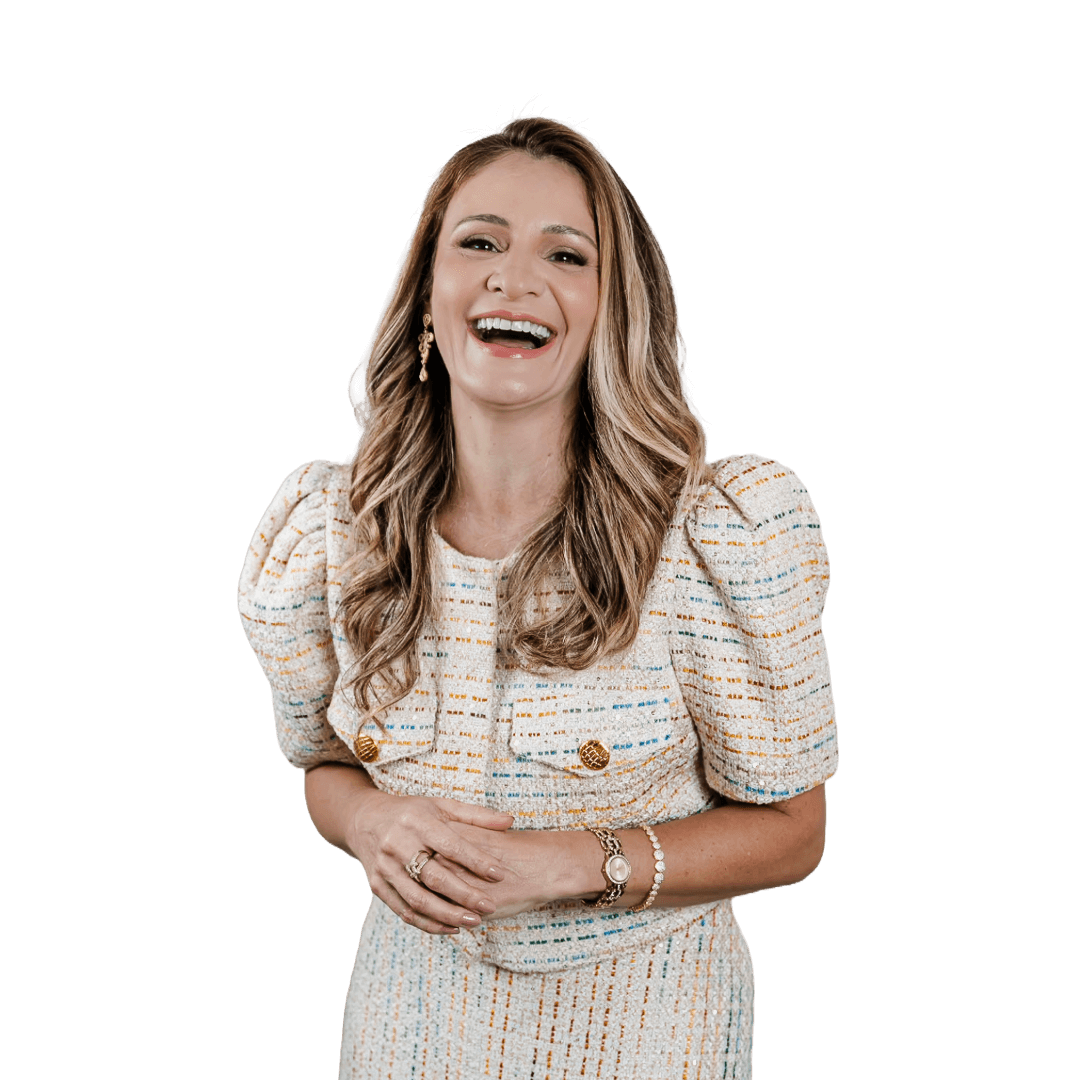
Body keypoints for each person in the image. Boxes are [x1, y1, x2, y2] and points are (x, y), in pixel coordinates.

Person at [237, 114, 838, 1080]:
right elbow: (325, 767)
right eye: (479, 242)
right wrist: (368, 824)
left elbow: (793, 832)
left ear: (611, 312)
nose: (513, 278)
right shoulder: (337, 534)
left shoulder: (711, 538)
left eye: (566, 255)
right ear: (426, 296)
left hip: (647, 1038)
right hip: (403, 1031)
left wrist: (571, 863)